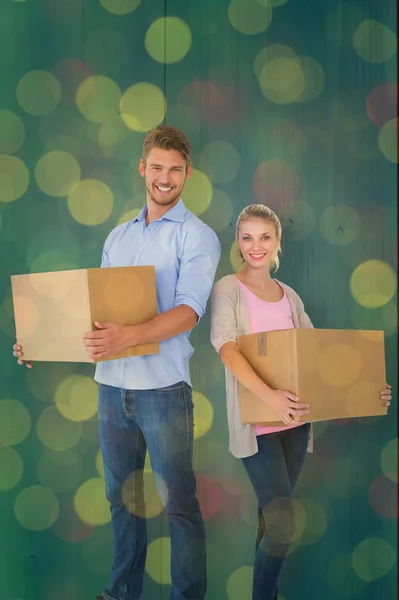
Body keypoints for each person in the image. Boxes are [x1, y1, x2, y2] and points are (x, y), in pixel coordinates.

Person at [14, 124, 221, 600]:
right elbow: (95, 312)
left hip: (164, 392)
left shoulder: (198, 236)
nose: (164, 178)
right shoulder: (119, 236)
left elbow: (189, 311)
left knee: (179, 507)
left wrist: (130, 335)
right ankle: (122, 593)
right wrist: (39, 342)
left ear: (187, 173)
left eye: (174, 170)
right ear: (142, 168)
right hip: (111, 389)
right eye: (156, 168)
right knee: (120, 501)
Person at [210, 203, 391, 600]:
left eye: (264, 237)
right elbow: (227, 350)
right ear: (238, 242)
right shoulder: (228, 289)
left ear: (277, 240)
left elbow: (320, 357)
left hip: (295, 426)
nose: (255, 246)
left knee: (271, 520)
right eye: (247, 237)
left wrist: (367, 388)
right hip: (258, 426)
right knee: (283, 522)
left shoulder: (288, 295)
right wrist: (271, 397)